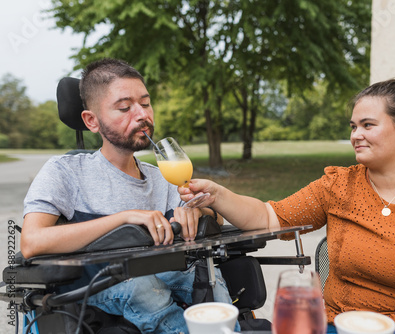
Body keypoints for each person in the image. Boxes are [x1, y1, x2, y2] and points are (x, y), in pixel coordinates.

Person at [179, 76, 395, 334]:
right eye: (353, 126)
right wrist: (219, 195)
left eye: (368, 125)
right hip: (335, 325)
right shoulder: (338, 185)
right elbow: (270, 217)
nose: (356, 135)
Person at [20, 58, 236, 334]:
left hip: (161, 275)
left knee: (206, 273)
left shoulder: (163, 176)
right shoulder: (65, 172)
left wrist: (197, 210)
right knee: (142, 286)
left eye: (145, 104)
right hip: (97, 286)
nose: (141, 115)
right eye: (124, 107)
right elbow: (32, 242)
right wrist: (123, 219)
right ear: (91, 121)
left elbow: (213, 214)